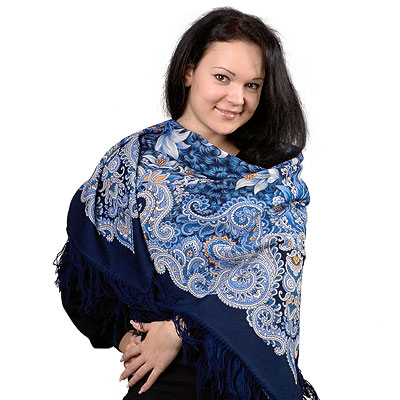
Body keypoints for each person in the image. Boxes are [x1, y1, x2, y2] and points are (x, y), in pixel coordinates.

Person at [54, 6, 319, 400]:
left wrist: (179, 329)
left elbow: (269, 296)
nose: (237, 98)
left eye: (252, 85)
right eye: (222, 77)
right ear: (189, 71)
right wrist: (127, 338)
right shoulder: (134, 161)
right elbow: (84, 280)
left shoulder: (274, 176)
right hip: (166, 387)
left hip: (246, 387)